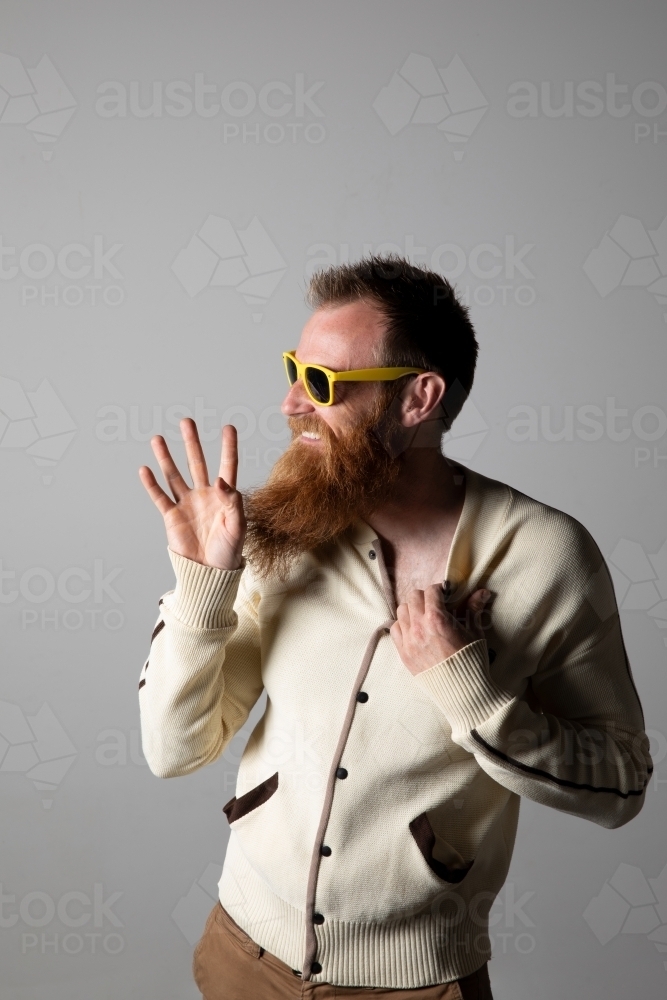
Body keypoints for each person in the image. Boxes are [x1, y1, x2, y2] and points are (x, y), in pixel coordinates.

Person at [138, 257, 652, 1000]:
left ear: (419, 397)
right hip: (239, 955)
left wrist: (469, 694)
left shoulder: (547, 556)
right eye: (293, 370)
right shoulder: (282, 527)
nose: (290, 404)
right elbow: (173, 751)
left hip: (416, 987)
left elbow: (619, 786)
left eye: (322, 383)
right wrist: (200, 585)